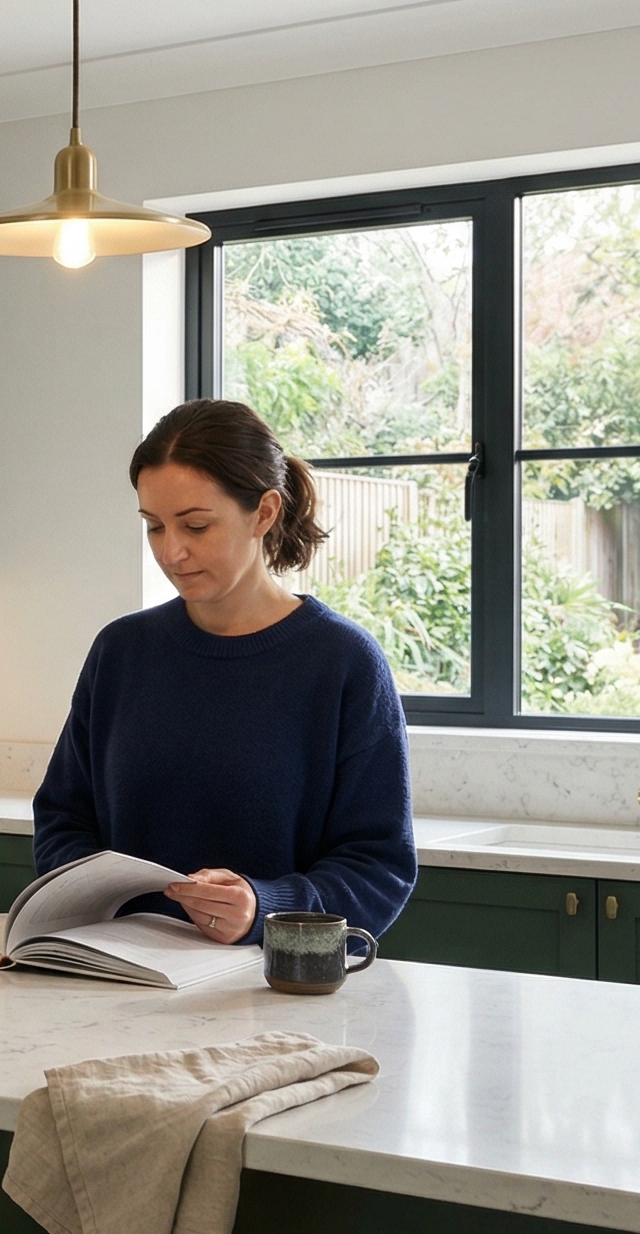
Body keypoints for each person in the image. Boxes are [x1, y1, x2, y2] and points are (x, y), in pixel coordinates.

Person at [33, 398, 415, 944]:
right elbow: (62, 821)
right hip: (118, 974)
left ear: (264, 512)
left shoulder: (343, 663)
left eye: (195, 525)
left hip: (273, 992)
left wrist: (264, 908)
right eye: (155, 527)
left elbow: (378, 868)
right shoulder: (121, 652)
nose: (172, 552)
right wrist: (109, 906)